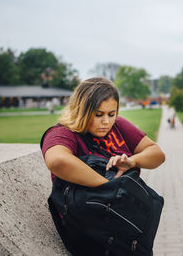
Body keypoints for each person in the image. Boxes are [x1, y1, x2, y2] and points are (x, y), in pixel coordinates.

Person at [40, 77, 165, 251]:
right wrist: (112, 189)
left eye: (111, 114)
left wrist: (132, 161)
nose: (106, 121)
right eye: (98, 114)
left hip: (128, 229)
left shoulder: (118, 125)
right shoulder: (63, 133)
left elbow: (157, 154)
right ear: (81, 110)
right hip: (92, 235)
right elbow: (58, 161)